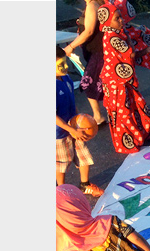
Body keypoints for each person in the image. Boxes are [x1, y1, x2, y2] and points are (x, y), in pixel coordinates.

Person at [97, 1, 150, 154]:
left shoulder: (117, 33)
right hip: (116, 83)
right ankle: (128, 143)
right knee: (123, 112)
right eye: (117, 18)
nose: (121, 20)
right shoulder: (112, 37)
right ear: (108, 21)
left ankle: (143, 134)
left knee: (136, 105)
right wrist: (142, 48)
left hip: (122, 80)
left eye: (121, 17)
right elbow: (131, 54)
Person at [56, 46, 104, 197]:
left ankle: (85, 185)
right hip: (59, 133)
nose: (65, 67)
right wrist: (70, 129)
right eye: (60, 65)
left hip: (75, 127)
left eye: (65, 63)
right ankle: (60, 192)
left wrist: (79, 118)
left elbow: (71, 102)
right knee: (62, 163)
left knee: (83, 156)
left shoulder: (67, 79)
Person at [62, 0, 107, 126]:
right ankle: (101, 114)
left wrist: (71, 46)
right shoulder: (92, 4)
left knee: (88, 83)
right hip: (95, 51)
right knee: (100, 82)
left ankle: (98, 115)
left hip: (98, 52)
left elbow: (89, 31)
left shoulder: (93, 5)